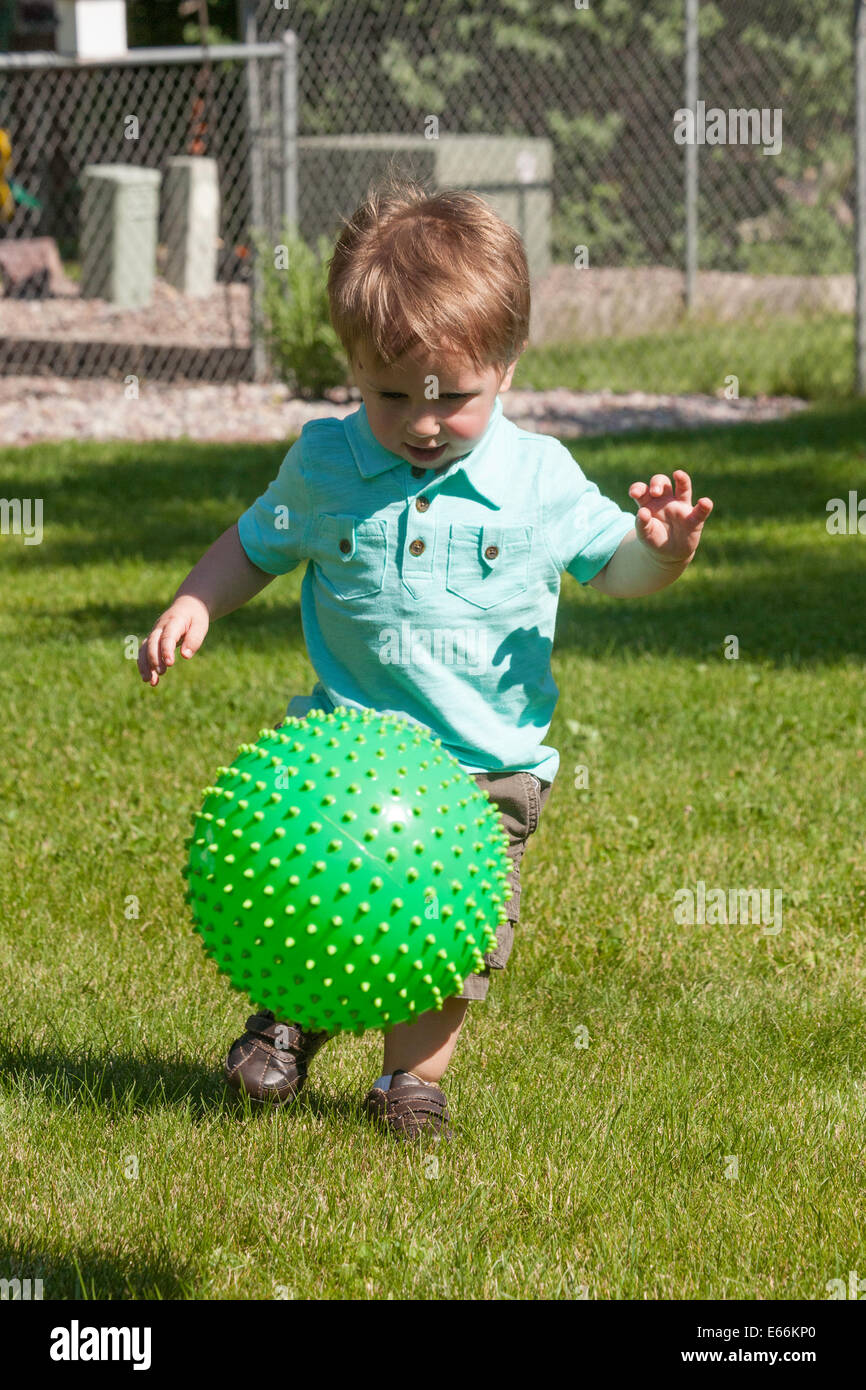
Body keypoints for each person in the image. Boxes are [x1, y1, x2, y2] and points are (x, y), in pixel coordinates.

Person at [138, 176, 713, 1142]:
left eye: (454, 397)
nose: (420, 420)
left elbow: (613, 569)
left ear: (509, 367)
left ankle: (410, 1082)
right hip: (343, 755)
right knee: (320, 903)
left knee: (449, 947)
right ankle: (287, 1019)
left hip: (487, 771)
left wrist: (660, 551)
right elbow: (256, 541)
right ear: (352, 371)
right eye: (389, 394)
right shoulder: (325, 463)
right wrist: (199, 597)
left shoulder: (538, 479)